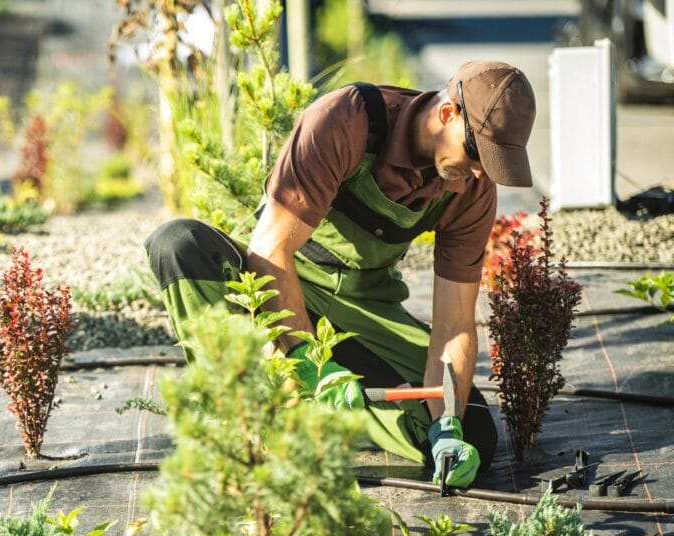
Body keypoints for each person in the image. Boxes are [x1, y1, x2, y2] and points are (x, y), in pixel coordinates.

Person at [145, 60, 537, 488]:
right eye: (478, 153)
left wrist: (447, 427)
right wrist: (308, 363)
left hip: (364, 314)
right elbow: (269, 250)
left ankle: (323, 417)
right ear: (447, 114)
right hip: (276, 287)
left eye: (495, 164)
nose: (481, 173)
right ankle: (245, 424)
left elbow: (455, 325)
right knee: (178, 243)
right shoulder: (344, 121)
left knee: (475, 428)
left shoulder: (472, 188)